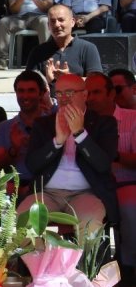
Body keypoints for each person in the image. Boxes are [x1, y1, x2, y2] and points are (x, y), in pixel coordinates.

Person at [21, 73, 118, 235]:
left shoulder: (104, 123)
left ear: (85, 94)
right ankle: (39, 262)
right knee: (24, 220)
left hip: (86, 193)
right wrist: (57, 141)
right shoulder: (43, 124)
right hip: (47, 193)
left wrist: (80, 133)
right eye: (59, 93)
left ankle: (85, 262)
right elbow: (32, 165)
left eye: (70, 93)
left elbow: (103, 165)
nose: (64, 98)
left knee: (90, 224)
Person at [84, 72, 136, 286]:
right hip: (89, 185)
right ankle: (90, 271)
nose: (91, 98)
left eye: (96, 92)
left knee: (130, 208)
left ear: (111, 94)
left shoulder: (132, 118)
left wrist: (112, 154)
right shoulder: (79, 121)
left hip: (124, 182)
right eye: (87, 93)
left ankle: (130, 267)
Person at [0, 70, 49, 194]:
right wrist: (13, 150)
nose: (25, 96)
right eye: (21, 91)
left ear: (41, 93)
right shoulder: (5, 127)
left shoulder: (53, 124)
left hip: (47, 187)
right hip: (13, 186)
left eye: (31, 90)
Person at [0, 0, 55, 70]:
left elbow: (47, 8)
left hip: (38, 16)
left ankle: (46, 58)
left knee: (45, 22)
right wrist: (20, 0)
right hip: (19, 17)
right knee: (3, 22)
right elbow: (13, 10)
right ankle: (2, 59)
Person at [25, 4, 102, 82]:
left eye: (61, 20)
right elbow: (28, 83)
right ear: (48, 26)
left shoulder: (87, 48)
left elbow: (96, 82)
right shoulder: (38, 51)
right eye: (52, 21)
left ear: (72, 22)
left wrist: (69, 78)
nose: (57, 25)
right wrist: (46, 81)